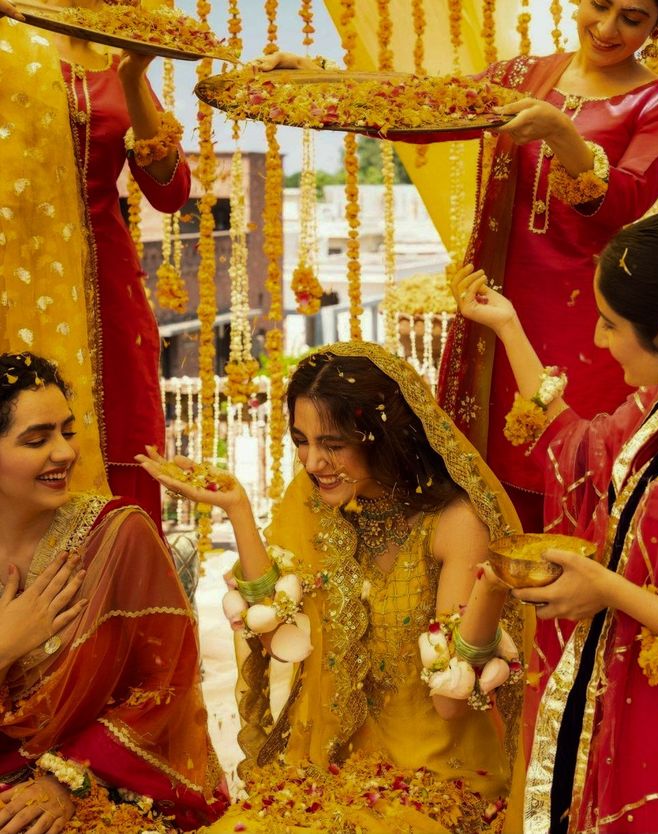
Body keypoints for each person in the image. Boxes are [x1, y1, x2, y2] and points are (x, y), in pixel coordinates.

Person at [250, 0, 658, 533]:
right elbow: (423, 109)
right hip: (494, 318)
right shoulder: (524, 76)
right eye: (599, 5)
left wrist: (561, 133)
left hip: (587, 330)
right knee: (482, 495)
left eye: (632, 17)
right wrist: (318, 79)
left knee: (571, 484)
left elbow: (626, 199)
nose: (606, 28)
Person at [137, 341, 533, 834]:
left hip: (439, 785)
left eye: (333, 445)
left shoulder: (454, 525)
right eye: (302, 441)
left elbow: (451, 701)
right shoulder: (319, 506)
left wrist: (492, 591)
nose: (311, 462)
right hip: (333, 775)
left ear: (383, 437)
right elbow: (274, 637)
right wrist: (237, 509)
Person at [453, 209, 658, 833]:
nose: (599, 341)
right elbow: (578, 450)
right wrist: (509, 330)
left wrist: (605, 589)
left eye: (610, 325)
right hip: (617, 708)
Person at [0, 352, 228, 833]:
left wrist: (67, 779)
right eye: (37, 439)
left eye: (66, 431)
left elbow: (168, 686)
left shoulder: (119, 534)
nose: (63, 453)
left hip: (104, 787)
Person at [0, 0, 191, 529]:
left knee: (121, 436)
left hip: (107, 288)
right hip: (13, 279)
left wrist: (133, 75)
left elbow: (170, 191)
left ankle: (119, 595)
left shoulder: (112, 46)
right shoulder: (9, 28)